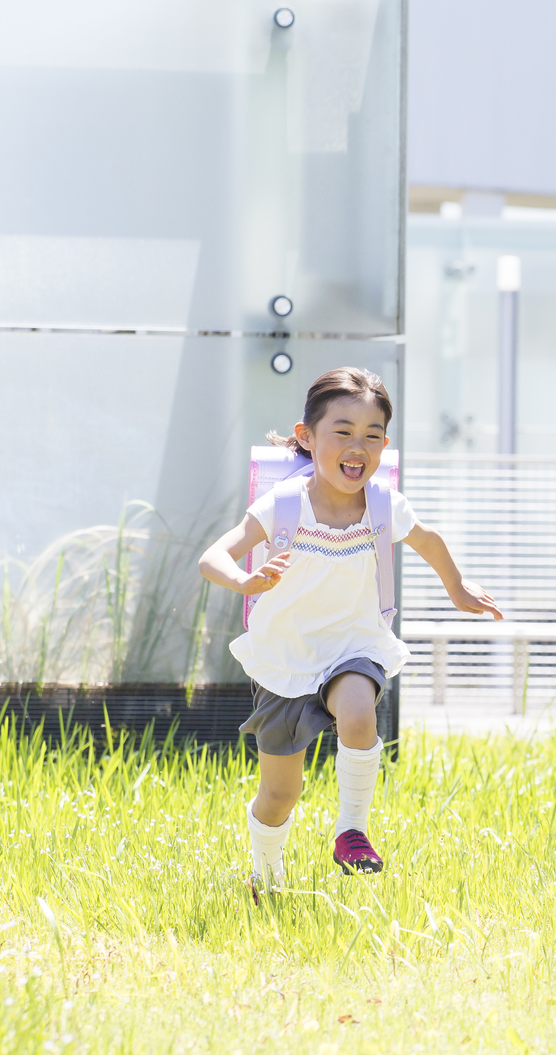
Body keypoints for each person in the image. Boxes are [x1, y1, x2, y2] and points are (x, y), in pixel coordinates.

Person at [197, 367, 501, 892]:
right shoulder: (286, 505)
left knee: (359, 708)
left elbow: (428, 540)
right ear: (306, 437)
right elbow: (212, 557)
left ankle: (351, 830)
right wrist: (246, 581)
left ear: (384, 443)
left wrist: (456, 588)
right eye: (342, 432)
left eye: (372, 435)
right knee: (279, 796)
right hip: (287, 659)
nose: (358, 446)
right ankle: (265, 877)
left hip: (354, 647)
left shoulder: (383, 505)